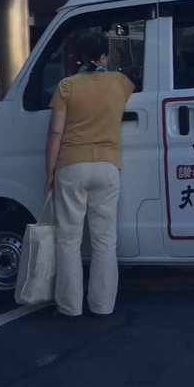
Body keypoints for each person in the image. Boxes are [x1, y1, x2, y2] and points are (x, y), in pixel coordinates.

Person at [44, 32, 134, 318]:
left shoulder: (66, 86)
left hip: (71, 166)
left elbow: (55, 131)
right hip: (108, 167)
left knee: (69, 240)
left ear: (77, 57)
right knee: (105, 240)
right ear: (105, 57)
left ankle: (70, 307)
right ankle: (103, 305)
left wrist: (49, 173)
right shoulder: (120, 83)